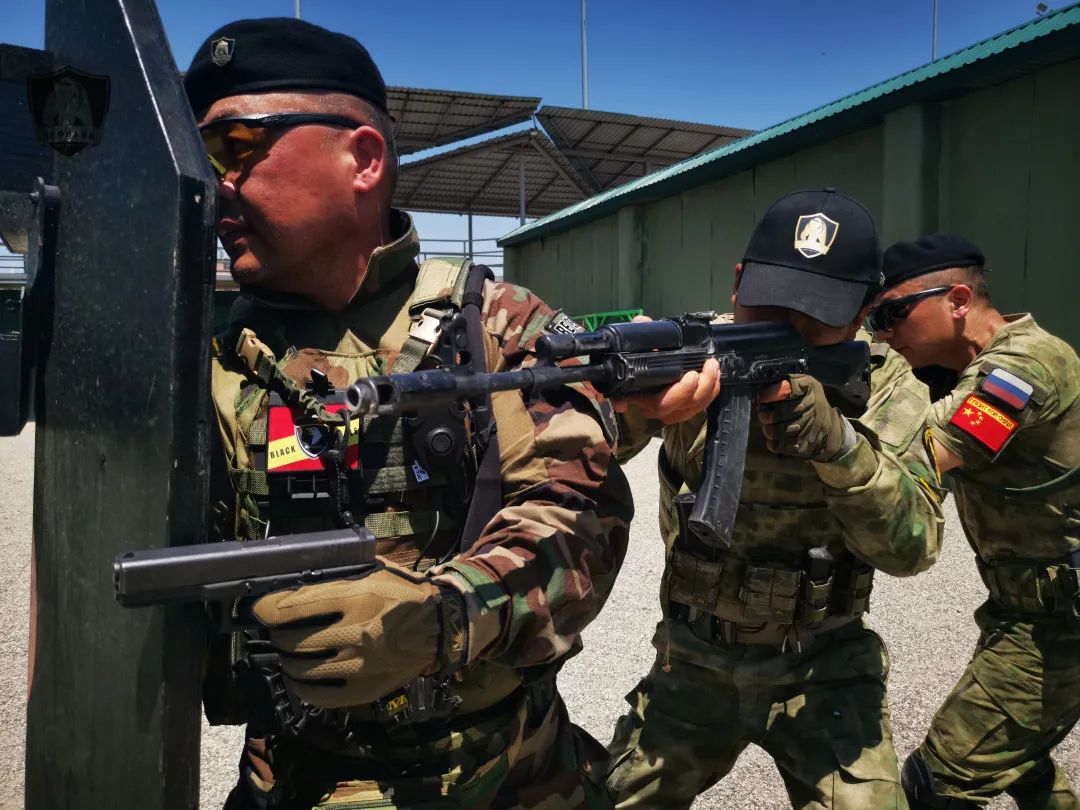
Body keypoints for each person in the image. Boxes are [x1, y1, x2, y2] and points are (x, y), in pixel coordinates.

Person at [184, 18, 634, 809]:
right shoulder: (209, 357)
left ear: (362, 159)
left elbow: (578, 518)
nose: (213, 180)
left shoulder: (494, 325)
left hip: (506, 774)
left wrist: (441, 618)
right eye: (199, 155)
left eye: (236, 146)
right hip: (291, 776)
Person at [606, 189, 946, 809]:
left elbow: (915, 547)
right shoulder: (693, 356)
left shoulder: (889, 388)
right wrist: (628, 407)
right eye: (767, 304)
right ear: (737, 282)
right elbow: (564, 460)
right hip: (694, 660)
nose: (784, 329)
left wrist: (841, 446)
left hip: (828, 668)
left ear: (863, 311)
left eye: (814, 314)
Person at [868, 234, 1080, 810]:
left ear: (959, 299)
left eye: (891, 314)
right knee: (1021, 762)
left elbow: (927, 451)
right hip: (1023, 611)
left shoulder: (1025, 366)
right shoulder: (968, 367)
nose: (881, 333)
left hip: (1060, 626)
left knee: (939, 781)